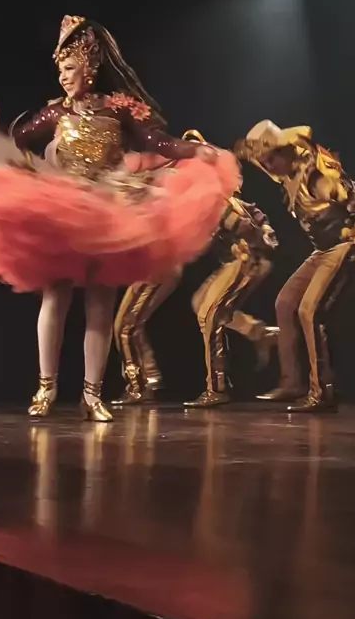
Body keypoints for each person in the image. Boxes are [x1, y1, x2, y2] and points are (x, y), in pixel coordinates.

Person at [0, 16, 239, 422]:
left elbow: (155, 141)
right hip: (66, 208)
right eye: (60, 69)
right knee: (56, 296)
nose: (62, 77)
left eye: (69, 68)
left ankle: (92, 395)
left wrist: (196, 151)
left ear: (89, 68)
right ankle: (46, 388)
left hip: (109, 208)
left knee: (100, 304)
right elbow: (18, 142)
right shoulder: (56, 113)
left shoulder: (119, 108)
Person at [114, 129, 279, 409]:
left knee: (207, 315)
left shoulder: (207, 194)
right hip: (237, 260)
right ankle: (260, 334)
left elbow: (242, 221)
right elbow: (251, 214)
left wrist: (256, 234)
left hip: (245, 260)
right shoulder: (199, 192)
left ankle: (214, 388)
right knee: (200, 304)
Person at [236, 120, 355, 413]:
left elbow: (354, 200)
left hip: (345, 244)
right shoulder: (285, 171)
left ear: (285, 151)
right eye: (263, 162)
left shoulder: (314, 176)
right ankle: (292, 383)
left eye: (271, 159)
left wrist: (353, 207)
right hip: (322, 250)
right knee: (285, 303)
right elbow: (259, 159)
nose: (268, 167)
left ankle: (322, 390)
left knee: (309, 310)